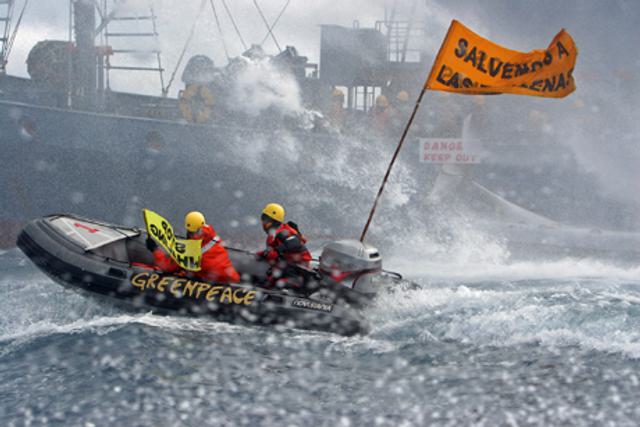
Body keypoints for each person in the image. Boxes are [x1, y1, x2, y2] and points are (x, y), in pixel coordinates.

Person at [148, 211, 240, 283]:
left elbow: (166, 266)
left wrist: (155, 249)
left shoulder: (191, 251)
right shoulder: (211, 234)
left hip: (215, 285)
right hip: (233, 279)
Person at [257, 203, 312, 289]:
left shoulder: (283, 232)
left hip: (298, 268)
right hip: (287, 264)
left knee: (278, 283)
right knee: (266, 281)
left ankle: (295, 282)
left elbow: (295, 243)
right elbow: (271, 253)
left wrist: (277, 251)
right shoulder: (273, 234)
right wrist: (260, 255)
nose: (263, 222)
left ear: (272, 220)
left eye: (265, 219)